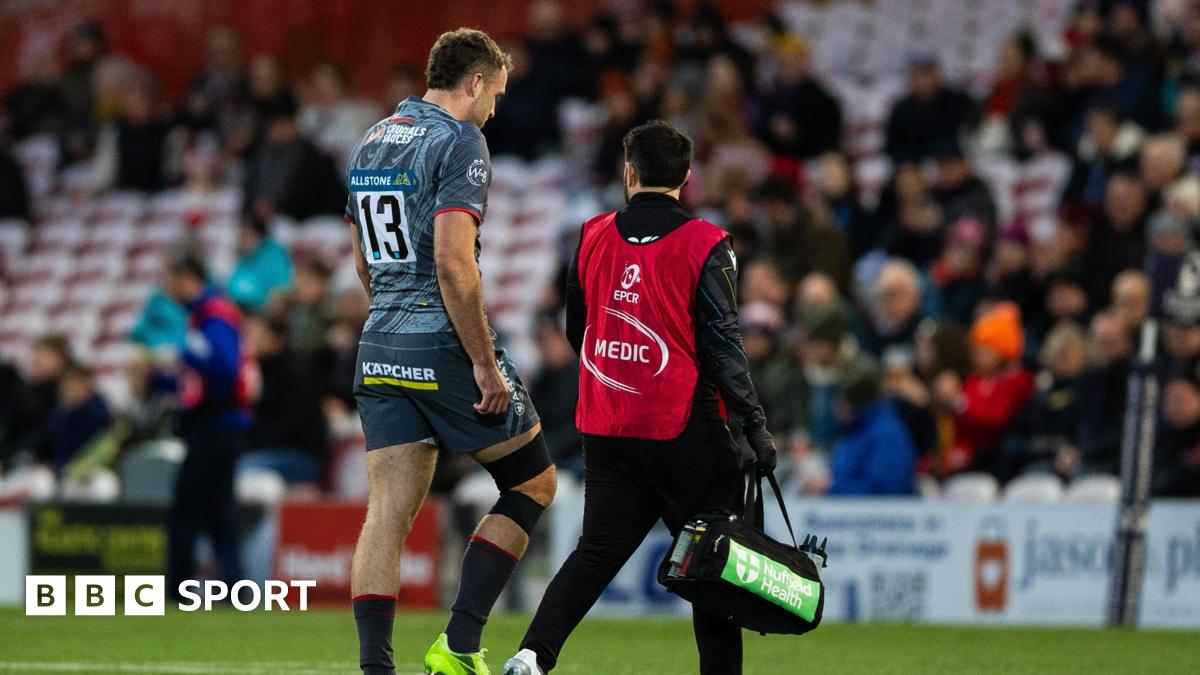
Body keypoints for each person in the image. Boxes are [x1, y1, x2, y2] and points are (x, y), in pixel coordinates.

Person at [504, 120, 778, 675]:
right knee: (712, 562)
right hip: (683, 427)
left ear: (628, 172)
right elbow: (724, 346)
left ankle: (532, 656)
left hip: (607, 424)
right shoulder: (708, 245)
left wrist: (617, 374)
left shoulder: (591, 235)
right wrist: (755, 425)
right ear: (687, 177)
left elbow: (577, 334)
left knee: (596, 552)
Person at [343, 29, 555, 675]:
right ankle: (459, 646)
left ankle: (376, 666)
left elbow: (362, 258)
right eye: (496, 93)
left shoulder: (373, 137)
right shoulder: (459, 139)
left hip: (379, 341)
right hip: (440, 342)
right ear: (475, 81)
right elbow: (453, 263)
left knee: (387, 512)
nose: (495, 107)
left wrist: (392, 316)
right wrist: (484, 364)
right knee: (532, 481)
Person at [162, 253, 253, 599]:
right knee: (218, 512)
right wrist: (160, 381)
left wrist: (182, 355)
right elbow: (198, 381)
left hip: (216, 425)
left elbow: (224, 368)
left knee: (189, 509)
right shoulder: (201, 317)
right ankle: (234, 588)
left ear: (186, 275)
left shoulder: (213, 317)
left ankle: (179, 589)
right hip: (216, 425)